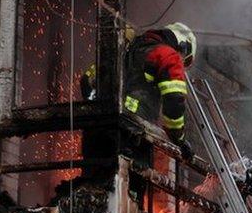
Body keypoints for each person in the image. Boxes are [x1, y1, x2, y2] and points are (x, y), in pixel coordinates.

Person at [81, 22, 197, 159]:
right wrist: (179, 140)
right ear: (183, 46)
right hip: (132, 134)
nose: (182, 63)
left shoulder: (126, 47)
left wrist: (94, 107)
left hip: (95, 130)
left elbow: (86, 81)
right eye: (185, 59)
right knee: (133, 178)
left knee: (93, 176)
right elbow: (174, 102)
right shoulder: (168, 56)